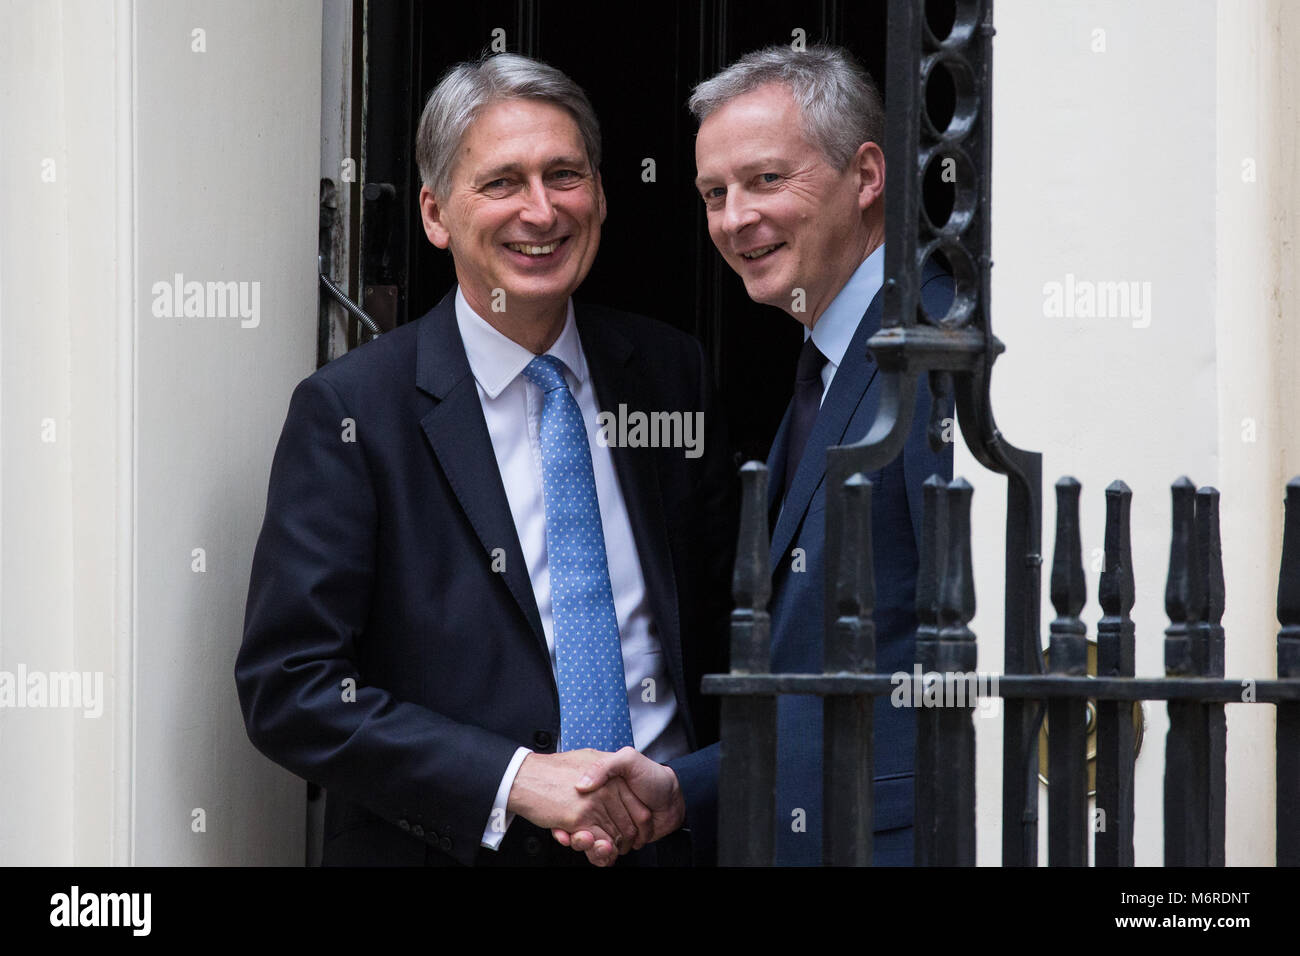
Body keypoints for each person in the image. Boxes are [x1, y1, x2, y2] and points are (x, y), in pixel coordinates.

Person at [235, 53, 735, 867]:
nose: (541, 210)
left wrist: (701, 791)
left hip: (670, 843)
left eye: (565, 175)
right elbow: (290, 690)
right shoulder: (354, 411)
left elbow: (728, 629)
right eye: (502, 182)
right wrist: (514, 780)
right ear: (435, 214)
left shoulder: (671, 371)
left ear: (602, 195)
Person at [576, 44, 953, 865]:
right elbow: (819, 682)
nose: (734, 218)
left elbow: (971, 659)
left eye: (766, 180)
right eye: (714, 193)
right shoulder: (826, 367)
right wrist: (685, 790)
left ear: (866, 174)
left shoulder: (935, 358)